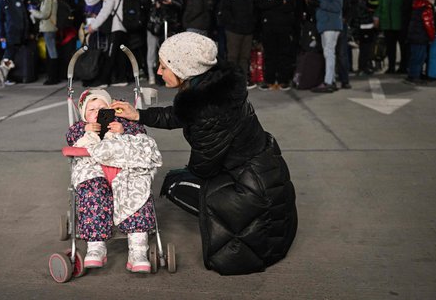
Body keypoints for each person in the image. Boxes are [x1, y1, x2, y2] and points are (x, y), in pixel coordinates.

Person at [111, 32, 297, 275]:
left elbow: (203, 168)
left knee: (174, 184)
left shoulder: (208, 112)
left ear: (184, 68)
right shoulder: (212, 90)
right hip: (265, 174)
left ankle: (226, 217)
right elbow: (181, 114)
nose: (158, 72)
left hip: (250, 190)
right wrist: (138, 115)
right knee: (179, 178)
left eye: (164, 66)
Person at [66, 89, 160, 273]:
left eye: (102, 108)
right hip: (94, 169)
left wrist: (124, 130)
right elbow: (70, 138)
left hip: (124, 168)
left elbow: (141, 136)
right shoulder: (80, 127)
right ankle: (96, 246)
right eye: (91, 109)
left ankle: (138, 249)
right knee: (93, 192)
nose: (97, 112)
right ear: (84, 114)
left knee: (136, 190)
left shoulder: (122, 123)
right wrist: (84, 129)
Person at [218, 0, 261, 89]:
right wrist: (231, 23)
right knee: (232, 57)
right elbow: (224, 9)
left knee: (245, 57)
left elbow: (256, 10)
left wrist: (253, 24)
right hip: (234, 30)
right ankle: (231, 81)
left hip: (248, 30)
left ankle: (243, 80)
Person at [140, 0, 183, 85]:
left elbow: (180, 4)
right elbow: (143, 2)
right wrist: (154, 4)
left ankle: (169, 77)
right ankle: (152, 75)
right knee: (152, 51)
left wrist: (171, 2)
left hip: (169, 24)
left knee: (167, 52)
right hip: (153, 24)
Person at [85, 0, 129, 87]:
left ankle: (104, 80)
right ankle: (122, 78)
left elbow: (105, 12)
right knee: (120, 54)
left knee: (110, 54)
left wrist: (93, 26)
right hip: (124, 26)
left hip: (116, 26)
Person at [257, 0, 296, 91]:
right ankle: (269, 80)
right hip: (268, 27)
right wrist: (280, 2)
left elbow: (290, 6)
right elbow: (261, 5)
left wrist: (272, 4)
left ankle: (283, 80)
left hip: (284, 27)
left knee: (284, 55)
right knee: (269, 55)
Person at [308, 0, 343, 93]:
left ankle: (328, 82)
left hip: (331, 25)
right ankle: (331, 80)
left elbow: (337, 6)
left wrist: (319, 3)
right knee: (328, 53)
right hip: (325, 24)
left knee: (329, 53)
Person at [327, 0, 357, 88]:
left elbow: (355, 3)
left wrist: (347, 18)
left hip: (341, 23)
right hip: (327, 23)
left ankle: (345, 80)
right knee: (328, 52)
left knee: (342, 52)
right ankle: (330, 79)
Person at [375, 0, 409, 74]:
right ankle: (391, 67)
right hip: (387, 23)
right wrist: (377, 17)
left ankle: (404, 67)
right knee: (390, 48)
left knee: (404, 47)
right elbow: (380, 4)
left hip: (401, 23)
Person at [405, 0, 436, 85]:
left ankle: (414, 74)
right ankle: (414, 77)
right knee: (419, 57)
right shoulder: (426, 9)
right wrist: (432, 37)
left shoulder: (417, 5)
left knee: (416, 56)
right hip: (420, 37)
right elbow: (429, 25)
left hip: (415, 36)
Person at [30, 0, 60, 85]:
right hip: (49, 27)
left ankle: (53, 77)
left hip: (48, 27)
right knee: (51, 51)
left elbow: (45, 14)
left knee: (51, 52)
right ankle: (53, 76)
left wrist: (34, 12)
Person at [356, 0, 379, 75]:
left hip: (370, 25)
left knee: (368, 48)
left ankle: (366, 66)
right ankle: (362, 67)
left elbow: (373, 8)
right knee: (363, 48)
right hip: (360, 25)